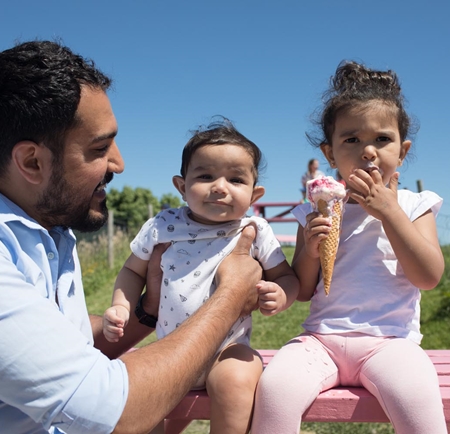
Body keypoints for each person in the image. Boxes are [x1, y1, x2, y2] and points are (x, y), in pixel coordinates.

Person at [0, 40, 264, 434]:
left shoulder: (52, 231)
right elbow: (113, 413)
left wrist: (146, 311)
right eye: (100, 147)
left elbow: (58, 358)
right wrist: (230, 296)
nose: (119, 163)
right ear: (32, 162)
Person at [252, 61, 447, 433]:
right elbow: (304, 290)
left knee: (417, 397)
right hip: (321, 340)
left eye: (382, 139)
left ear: (402, 151)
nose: (368, 151)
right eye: (352, 140)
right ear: (330, 154)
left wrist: (389, 212)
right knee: (275, 388)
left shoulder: (414, 205)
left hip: (392, 343)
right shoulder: (315, 209)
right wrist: (310, 250)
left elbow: (428, 276)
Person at [103, 119, 300, 433]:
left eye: (236, 179)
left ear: (254, 194)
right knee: (133, 393)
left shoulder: (254, 230)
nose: (220, 187)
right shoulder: (162, 225)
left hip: (228, 349)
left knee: (237, 378)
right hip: (171, 349)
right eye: (205, 175)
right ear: (181, 186)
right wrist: (121, 305)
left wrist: (281, 295)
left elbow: (286, 276)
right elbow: (131, 270)